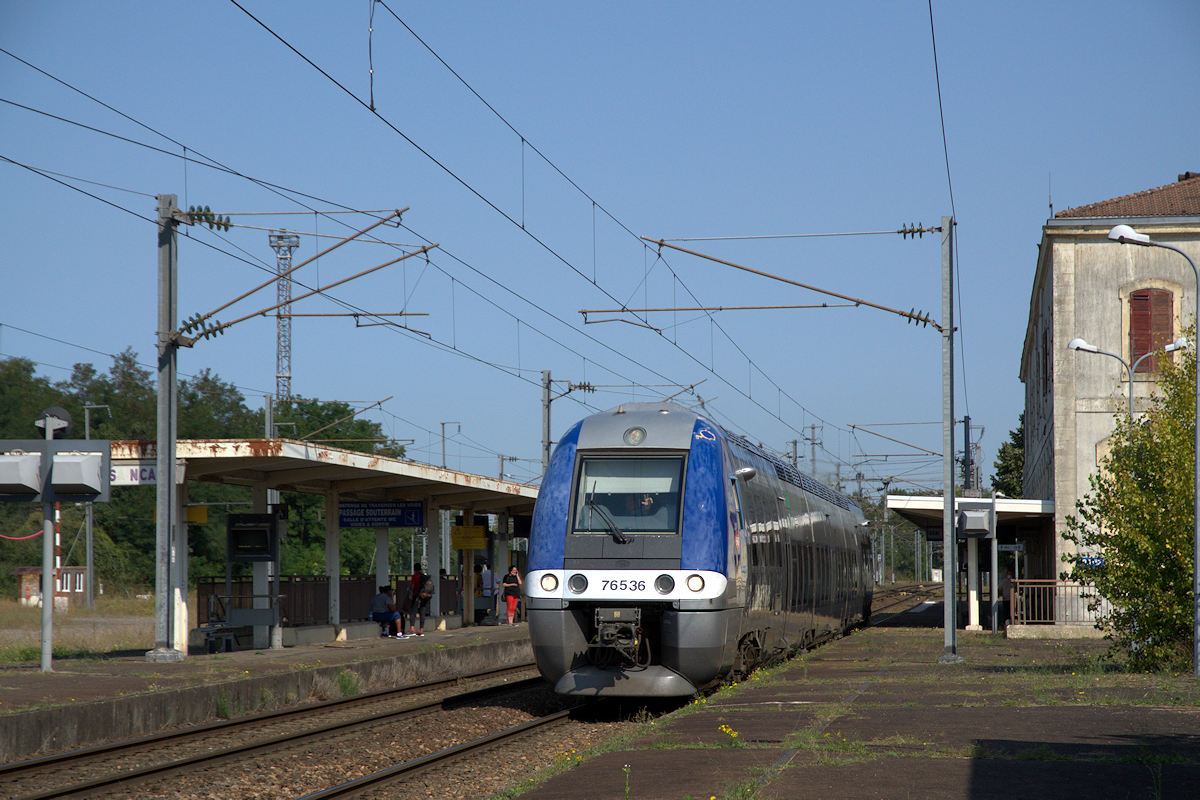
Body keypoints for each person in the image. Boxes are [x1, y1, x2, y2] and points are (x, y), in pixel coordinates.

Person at [407, 563, 432, 636]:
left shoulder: (415, 576)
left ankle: (412, 629)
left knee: (413, 612)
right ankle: (421, 630)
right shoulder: (424, 576)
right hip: (424, 596)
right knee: (422, 612)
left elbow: (412, 586)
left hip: (417, 595)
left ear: (414, 569)